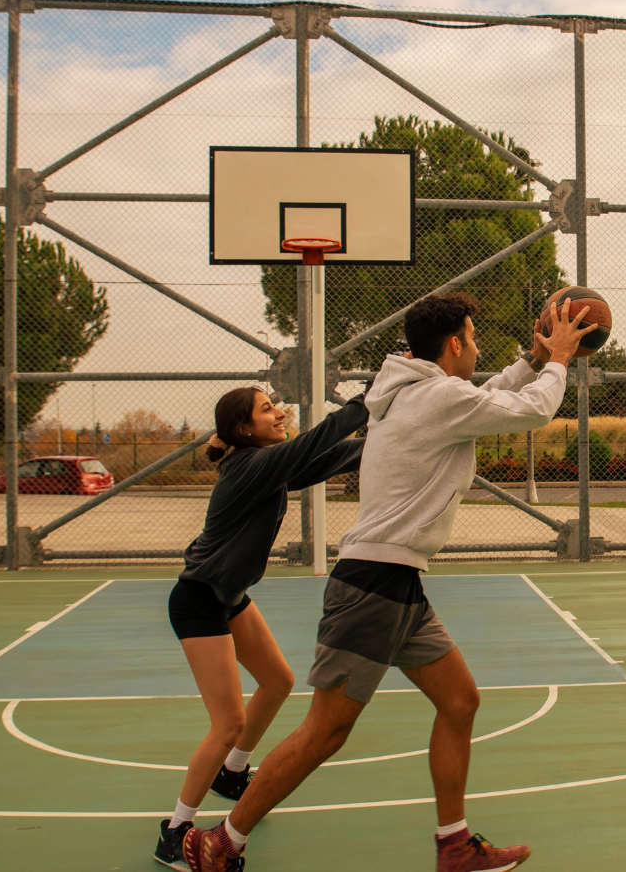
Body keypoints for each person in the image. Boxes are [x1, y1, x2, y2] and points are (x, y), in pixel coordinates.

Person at [183, 292, 595, 872]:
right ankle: (223, 841)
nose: (476, 348)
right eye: (473, 339)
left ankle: (454, 845)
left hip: (397, 583)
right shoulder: (436, 397)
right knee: (326, 731)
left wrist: (533, 357)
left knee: (459, 701)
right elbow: (528, 410)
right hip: (373, 585)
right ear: (454, 345)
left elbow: (490, 393)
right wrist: (557, 362)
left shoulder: (418, 391)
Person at [154, 387, 368, 870]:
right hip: (200, 602)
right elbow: (317, 443)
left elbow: (332, 458)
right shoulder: (250, 466)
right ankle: (175, 831)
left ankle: (231, 776)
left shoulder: (268, 465)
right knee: (228, 722)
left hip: (228, 597)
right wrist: (367, 401)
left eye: (276, 406)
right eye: (267, 409)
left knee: (278, 682)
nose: (279, 412)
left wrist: (397, 438)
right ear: (244, 429)